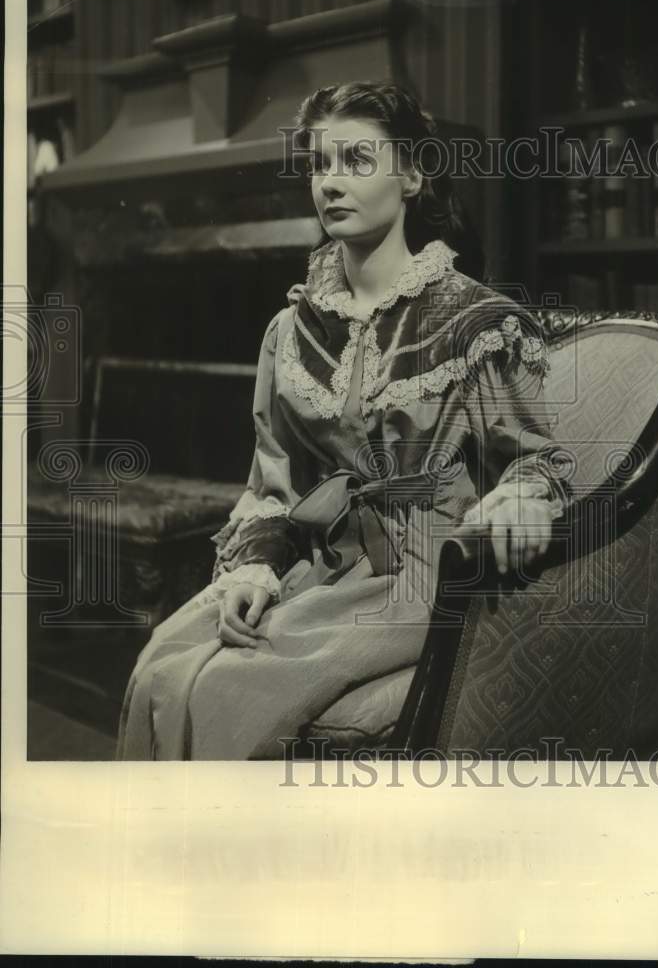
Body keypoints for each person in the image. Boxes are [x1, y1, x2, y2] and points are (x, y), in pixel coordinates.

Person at [116, 80, 568, 761]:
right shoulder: (292, 331)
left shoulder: (475, 323)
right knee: (161, 664)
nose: (330, 183)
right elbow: (276, 484)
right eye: (319, 164)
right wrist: (255, 570)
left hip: (423, 581)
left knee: (225, 691)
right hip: (327, 563)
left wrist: (518, 500)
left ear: (412, 174)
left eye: (356, 161)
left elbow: (538, 461)